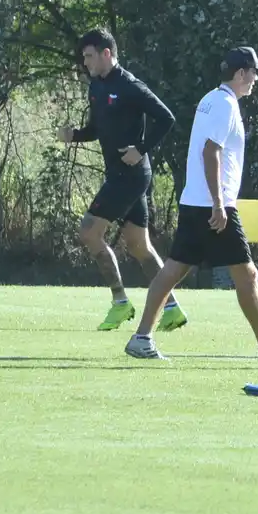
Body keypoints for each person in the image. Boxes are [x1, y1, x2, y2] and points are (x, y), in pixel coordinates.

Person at [124, 47, 258, 363]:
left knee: (172, 270)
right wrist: (219, 204)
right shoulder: (225, 105)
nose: (255, 79)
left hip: (194, 201)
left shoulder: (211, 99)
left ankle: (141, 338)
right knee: (247, 275)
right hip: (213, 205)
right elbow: (211, 152)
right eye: (253, 73)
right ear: (241, 73)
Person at [57, 29, 184, 332]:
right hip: (119, 174)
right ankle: (172, 309)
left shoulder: (129, 85)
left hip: (130, 175)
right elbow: (97, 129)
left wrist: (140, 149)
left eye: (89, 56)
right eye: (84, 57)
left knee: (89, 231)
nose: (85, 62)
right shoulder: (96, 87)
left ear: (106, 53)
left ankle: (120, 301)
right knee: (139, 245)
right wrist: (75, 135)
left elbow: (166, 118)